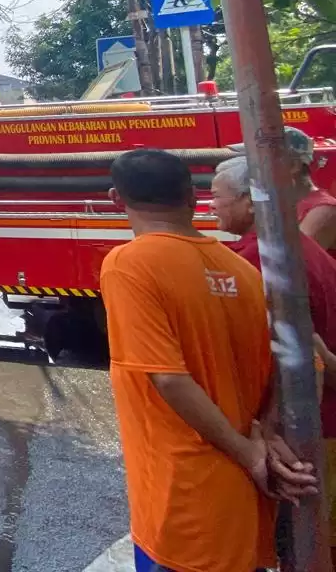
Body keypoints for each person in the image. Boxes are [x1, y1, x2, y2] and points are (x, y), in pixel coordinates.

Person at [101, 149, 317, 572]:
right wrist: (264, 431)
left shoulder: (129, 264)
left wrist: (249, 453)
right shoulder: (242, 270)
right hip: (243, 502)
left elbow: (169, 379)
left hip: (184, 505)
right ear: (192, 197)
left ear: (115, 198)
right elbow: (291, 362)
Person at [212, 154, 336, 564]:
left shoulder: (253, 260)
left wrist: (263, 426)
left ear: (250, 202)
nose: (211, 206)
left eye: (217, 196)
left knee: (304, 545)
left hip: (302, 433)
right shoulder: (300, 246)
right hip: (319, 423)